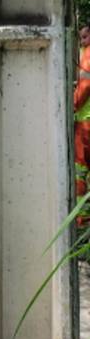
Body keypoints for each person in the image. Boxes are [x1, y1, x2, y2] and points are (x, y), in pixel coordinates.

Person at [75, 25, 90, 225]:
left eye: (85, 36)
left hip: (87, 121)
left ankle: (82, 218)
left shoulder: (88, 55)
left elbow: (85, 85)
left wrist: (72, 103)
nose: (82, 40)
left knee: (80, 169)